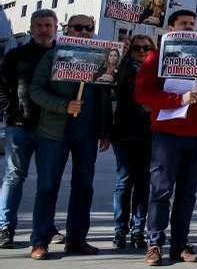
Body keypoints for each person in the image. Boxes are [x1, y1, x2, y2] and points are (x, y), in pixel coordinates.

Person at [136, 9, 197, 266]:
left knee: (187, 194)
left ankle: (180, 244)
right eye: (183, 24)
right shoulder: (157, 56)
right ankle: (154, 243)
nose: (189, 28)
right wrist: (177, 100)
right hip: (166, 135)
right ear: (170, 28)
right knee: (161, 191)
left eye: (192, 24)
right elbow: (143, 94)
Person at [29, 14, 113, 260]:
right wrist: (63, 105)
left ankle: (76, 239)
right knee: (47, 187)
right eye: (78, 27)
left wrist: (105, 130)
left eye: (89, 28)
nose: (84, 32)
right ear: (68, 29)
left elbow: (104, 97)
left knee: (84, 188)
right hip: (53, 133)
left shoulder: (100, 57)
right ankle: (40, 241)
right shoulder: (53, 55)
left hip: (86, 135)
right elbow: (35, 90)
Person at [0, 9, 63, 249]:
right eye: (38, 25)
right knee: (14, 177)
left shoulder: (64, 57)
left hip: (52, 128)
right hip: (20, 126)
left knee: (48, 182)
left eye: (48, 25)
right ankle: (5, 227)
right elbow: (2, 85)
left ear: (56, 27)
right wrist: (8, 109)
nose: (43, 29)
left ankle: (45, 226)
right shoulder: (16, 55)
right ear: (31, 28)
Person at [110, 34, 156, 250]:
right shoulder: (122, 69)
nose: (141, 51)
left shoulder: (158, 70)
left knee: (143, 183)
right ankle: (120, 228)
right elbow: (112, 87)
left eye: (146, 48)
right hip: (124, 131)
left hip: (149, 133)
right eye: (137, 48)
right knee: (123, 182)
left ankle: (138, 228)